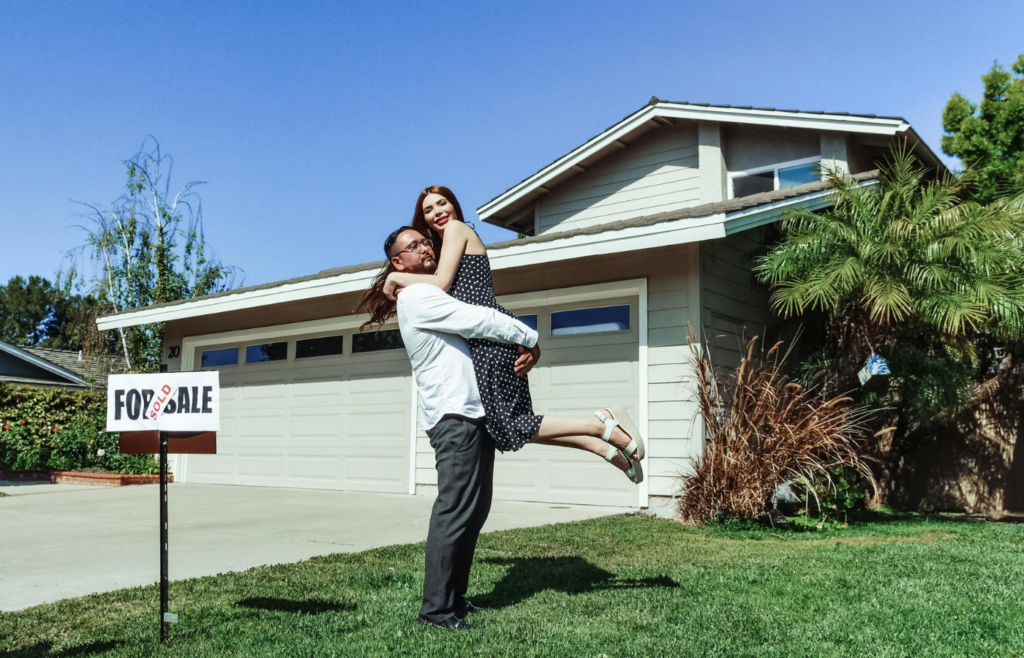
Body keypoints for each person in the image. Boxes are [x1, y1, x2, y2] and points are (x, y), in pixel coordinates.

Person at [364, 185, 645, 483]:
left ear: (455, 206)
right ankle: (599, 445)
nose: (437, 213)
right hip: (484, 339)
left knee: (511, 424)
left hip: (489, 335)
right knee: (506, 427)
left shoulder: (457, 230)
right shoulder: (445, 246)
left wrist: (394, 276)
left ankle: (600, 426)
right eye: (428, 210)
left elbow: (443, 282)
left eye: (442, 203)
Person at [367, 226, 540, 629]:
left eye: (426, 242)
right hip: (454, 417)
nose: (425, 248)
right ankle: (436, 611)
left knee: (474, 511)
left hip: (473, 413)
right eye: (413, 246)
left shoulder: (431, 290)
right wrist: (529, 337)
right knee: (454, 510)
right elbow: (476, 319)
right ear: (398, 262)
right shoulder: (418, 295)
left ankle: (456, 599)